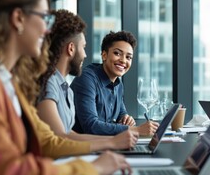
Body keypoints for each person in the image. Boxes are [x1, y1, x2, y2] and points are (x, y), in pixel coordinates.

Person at [0, 0, 131, 175]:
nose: (47, 29)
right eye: (44, 18)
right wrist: (89, 169)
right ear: (18, 18)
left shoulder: (7, 81)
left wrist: (104, 153)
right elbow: (7, 174)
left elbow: (48, 142)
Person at [37, 9, 138, 150]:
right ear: (71, 49)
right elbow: (59, 139)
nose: (85, 55)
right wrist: (122, 137)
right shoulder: (49, 83)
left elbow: (69, 134)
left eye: (128, 57)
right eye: (83, 47)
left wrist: (116, 140)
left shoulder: (64, 86)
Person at [71, 30, 159, 136]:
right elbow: (91, 126)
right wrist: (137, 130)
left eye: (128, 57)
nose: (123, 61)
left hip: (105, 144)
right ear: (104, 55)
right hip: (82, 148)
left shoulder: (118, 84)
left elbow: (121, 113)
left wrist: (126, 118)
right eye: (117, 53)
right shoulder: (86, 78)